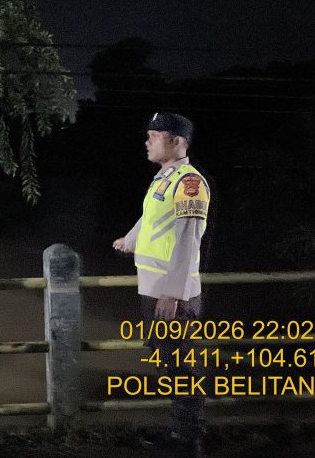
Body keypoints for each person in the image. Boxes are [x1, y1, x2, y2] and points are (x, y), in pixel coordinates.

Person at [113, 112, 210, 458]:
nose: (147, 142)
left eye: (154, 136)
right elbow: (151, 216)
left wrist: (173, 291)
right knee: (168, 361)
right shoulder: (164, 179)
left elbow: (188, 238)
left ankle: (187, 439)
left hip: (171, 295)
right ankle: (181, 431)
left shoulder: (190, 183)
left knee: (180, 365)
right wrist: (130, 240)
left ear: (177, 141)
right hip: (155, 290)